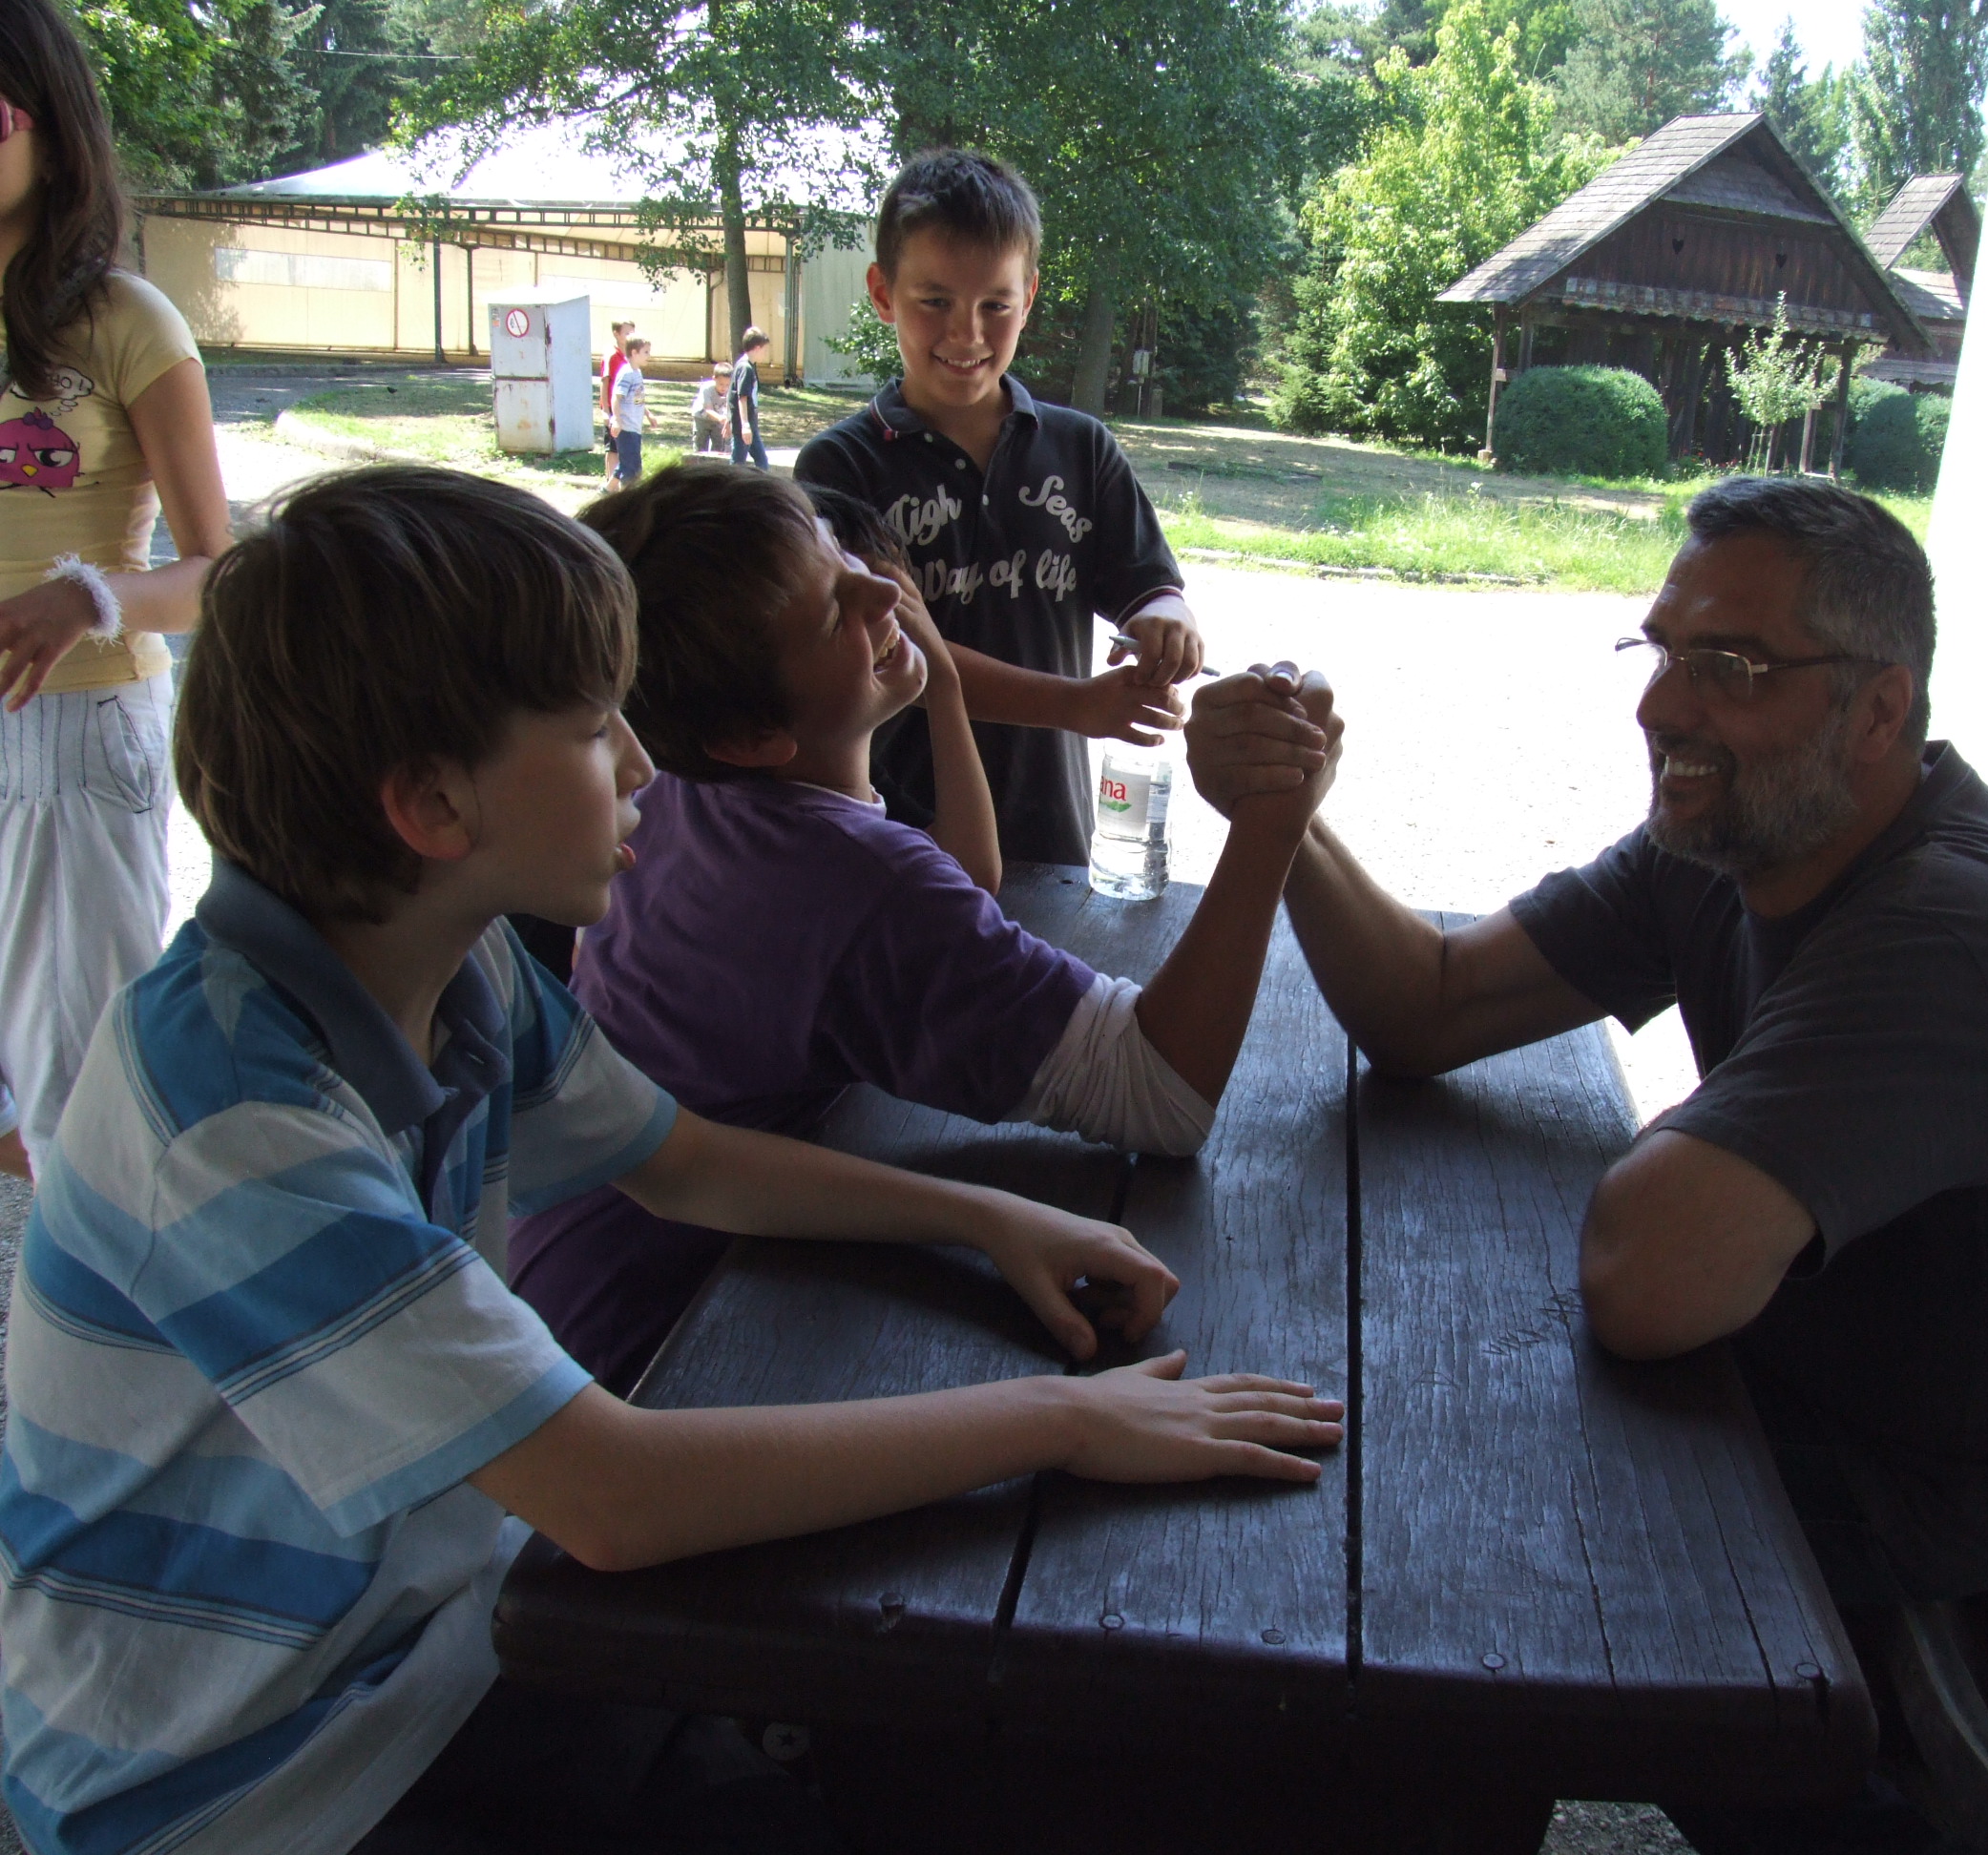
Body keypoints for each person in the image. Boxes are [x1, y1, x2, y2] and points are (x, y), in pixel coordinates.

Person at [0, 464, 1343, 1855]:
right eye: (597, 732)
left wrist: (985, 1216)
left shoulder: (444, 963)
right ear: (435, 807)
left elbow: (683, 1158)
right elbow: (615, 1497)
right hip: (245, 1783)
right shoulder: (232, 1122)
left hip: (427, 1643)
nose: (645, 769)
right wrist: (1065, 1421)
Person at [1186, 476, 1988, 1616]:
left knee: (1412, 1516)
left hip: (1907, 1488)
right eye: (1660, 653)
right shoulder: (1739, 837)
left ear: (1879, 712)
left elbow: (1644, 1281)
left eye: (1731, 668)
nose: (1659, 708)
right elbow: (1431, 1007)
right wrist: (1283, 815)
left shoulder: (1953, 934)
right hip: (1773, 1368)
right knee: (1364, 1418)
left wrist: (1690, 1162)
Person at [508, 462, 1341, 1392]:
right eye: (835, 611)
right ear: (751, 739)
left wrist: (938, 676)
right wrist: (1271, 821)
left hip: (557, 1291)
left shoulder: (673, 789)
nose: (880, 587)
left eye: (839, 551)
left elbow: (953, 892)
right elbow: (1162, 1093)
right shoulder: (852, 878)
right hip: (665, 1350)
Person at [795, 148, 1203, 866]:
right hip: (896, 838)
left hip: (1050, 833)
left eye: (995, 305)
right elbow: (890, 648)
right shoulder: (840, 467)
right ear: (883, 293)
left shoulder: (1081, 448)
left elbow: (1148, 586)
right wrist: (1077, 704)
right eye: (935, 302)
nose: (967, 334)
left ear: (1030, 296)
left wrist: (1167, 623)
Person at [0, 0, 231, 1182]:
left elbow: (220, 571)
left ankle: (101, 1297)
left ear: (52, 136)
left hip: (72, 735)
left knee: (77, 1098)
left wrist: (87, 598)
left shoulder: (122, 320)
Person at [610, 333, 652, 485]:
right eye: (646, 352)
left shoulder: (637, 372)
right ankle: (627, 495)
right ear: (634, 353)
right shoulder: (627, 373)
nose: (649, 355)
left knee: (626, 463)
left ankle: (607, 491)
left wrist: (648, 414)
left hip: (635, 427)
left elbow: (637, 399)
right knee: (632, 469)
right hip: (626, 427)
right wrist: (617, 420)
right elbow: (616, 397)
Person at [727, 323, 768, 469]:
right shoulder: (745, 368)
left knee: (762, 463)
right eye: (764, 349)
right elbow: (741, 398)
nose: (765, 353)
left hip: (751, 424)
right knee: (737, 465)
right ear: (757, 348)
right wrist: (745, 425)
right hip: (744, 425)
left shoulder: (746, 365)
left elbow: (731, 393)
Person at [600, 316, 634, 490]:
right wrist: (605, 411)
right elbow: (605, 381)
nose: (630, 336)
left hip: (627, 408)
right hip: (613, 408)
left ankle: (620, 482)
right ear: (616, 334)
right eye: (627, 333)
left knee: (624, 445)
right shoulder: (612, 355)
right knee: (612, 447)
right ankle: (610, 485)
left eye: (632, 333)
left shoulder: (630, 355)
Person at [690, 359, 729, 453]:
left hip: (718, 420)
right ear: (714, 379)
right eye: (721, 384)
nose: (724, 388)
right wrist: (720, 418)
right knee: (700, 445)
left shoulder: (731, 390)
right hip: (701, 418)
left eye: (727, 385)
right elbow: (708, 409)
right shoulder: (707, 388)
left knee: (719, 445)